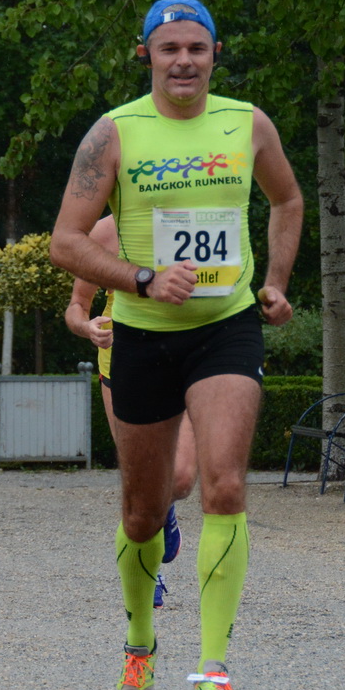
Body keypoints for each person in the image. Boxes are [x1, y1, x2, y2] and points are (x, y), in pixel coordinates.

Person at [50, 0, 302, 690]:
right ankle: (139, 638)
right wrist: (140, 279)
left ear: (215, 53)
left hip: (226, 327)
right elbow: (66, 241)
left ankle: (214, 667)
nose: (184, 60)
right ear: (147, 55)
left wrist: (276, 282)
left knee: (223, 485)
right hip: (141, 331)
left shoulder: (247, 122)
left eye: (197, 47)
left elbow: (286, 202)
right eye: (170, 49)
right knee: (143, 511)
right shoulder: (114, 133)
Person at [63, 213, 196, 607]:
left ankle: (166, 506)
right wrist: (86, 328)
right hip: (122, 362)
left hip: (186, 359)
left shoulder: (196, 217)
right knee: (139, 478)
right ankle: (149, 571)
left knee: (183, 478)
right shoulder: (106, 230)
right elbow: (77, 304)